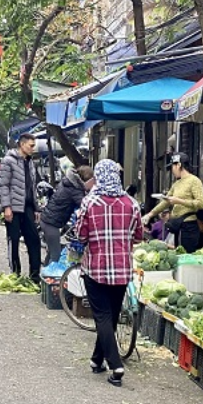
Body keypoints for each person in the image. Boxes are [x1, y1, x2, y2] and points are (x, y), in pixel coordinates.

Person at [75, 160, 144, 387]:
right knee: (111, 316)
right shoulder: (132, 203)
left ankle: (116, 366)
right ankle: (97, 360)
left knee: (103, 317)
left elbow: (81, 235)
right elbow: (138, 236)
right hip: (122, 270)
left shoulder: (89, 202)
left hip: (96, 269)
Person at [0, 134, 42, 283]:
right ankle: (15, 275)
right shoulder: (8, 161)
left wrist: (36, 208)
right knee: (14, 241)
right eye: (31, 145)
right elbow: (3, 185)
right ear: (22, 145)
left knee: (34, 240)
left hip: (28, 207)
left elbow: (32, 187)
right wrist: (6, 207)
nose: (33, 148)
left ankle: (35, 277)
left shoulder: (30, 162)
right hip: (13, 208)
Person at [143, 153, 203, 252]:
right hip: (177, 225)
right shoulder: (176, 184)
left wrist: (179, 201)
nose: (172, 170)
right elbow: (166, 201)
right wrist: (150, 214)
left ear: (179, 165)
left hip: (189, 226)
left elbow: (201, 203)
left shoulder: (194, 181)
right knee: (178, 254)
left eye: (172, 166)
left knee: (186, 255)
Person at [41, 165, 95, 264]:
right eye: (93, 181)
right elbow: (85, 205)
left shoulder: (69, 183)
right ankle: (51, 272)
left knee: (52, 252)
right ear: (86, 180)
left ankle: (46, 269)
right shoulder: (75, 190)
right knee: (55, 254)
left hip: (47, 220)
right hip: (51, 223)